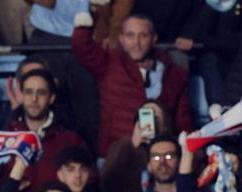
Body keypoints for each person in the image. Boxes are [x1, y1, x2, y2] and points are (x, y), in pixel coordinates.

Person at [71, 12, 191, 155]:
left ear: (154, 39)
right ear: (121, 38)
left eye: (143, 36)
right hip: (116, 154)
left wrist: (187, 149)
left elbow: (183, 121)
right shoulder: (108, 62)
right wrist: (93, 14)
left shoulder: (174, 73)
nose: (136, 42)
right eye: (130, 35)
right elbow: (81, 45)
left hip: (159, 156)